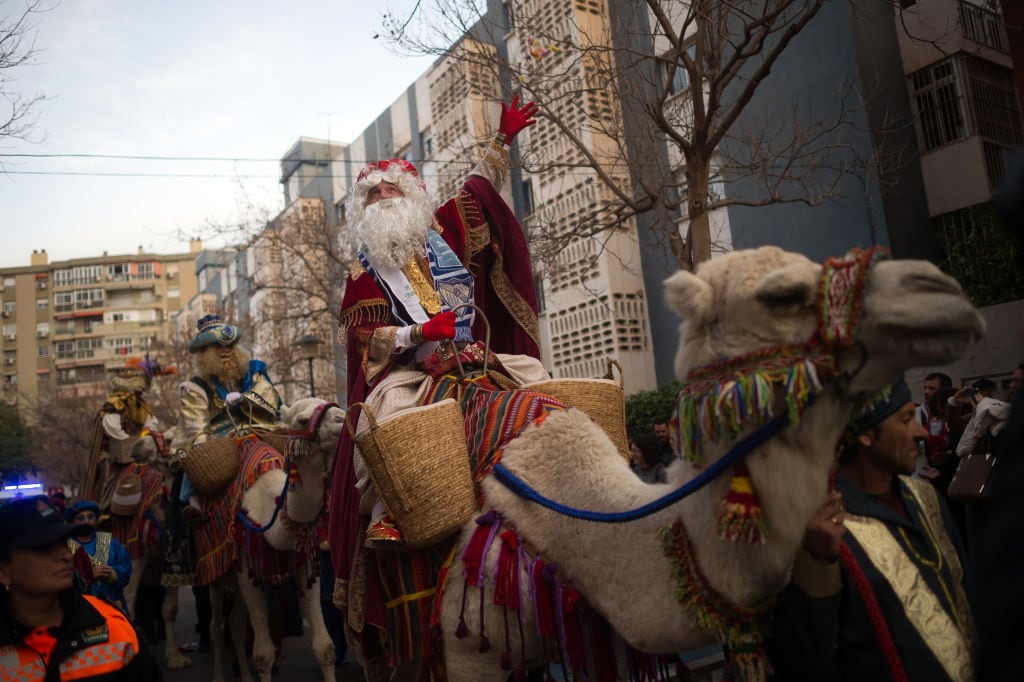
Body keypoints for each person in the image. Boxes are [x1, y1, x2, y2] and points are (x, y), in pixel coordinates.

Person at [329, 96, 547, 672]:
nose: (383, 200)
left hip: (474, 358)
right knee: (387, 425)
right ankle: (390, 514)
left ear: (413, 196)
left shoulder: (443, 229)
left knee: (538, 385)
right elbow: (365, 345)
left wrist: (502, 142)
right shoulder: (361, 275)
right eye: (372, 194)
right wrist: (417, 332)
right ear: (362, 209)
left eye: (391, 190)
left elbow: (478, 192)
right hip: (407, 373)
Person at [767, 377, 974, 681]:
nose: (919, 432)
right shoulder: (820, 527)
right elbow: (805, 663)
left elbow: (967, 591)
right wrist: (817, 565)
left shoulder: (926, 497)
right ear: (865, 434)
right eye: (906, 419)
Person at [0, 497, 162, 680]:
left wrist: (113, 574)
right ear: (3, 570)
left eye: (63, 543)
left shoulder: (111, 624)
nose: (65, 556)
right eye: (43, 548)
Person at [175, 313, 286, 522]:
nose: (225, 351)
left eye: (230, 347)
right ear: (205, 353)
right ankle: (194, 503)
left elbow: (271, 399)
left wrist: (245, 398)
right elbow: (196, 427)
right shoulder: (195, 388)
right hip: (219, 438)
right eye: (218, 347)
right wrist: (205, 453)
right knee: (195, 457)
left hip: (255, 428)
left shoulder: (252, 373)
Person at [63, 500, 132, 614]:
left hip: (112, 606)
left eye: (91, 517)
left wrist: (111, 574)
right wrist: (90, 576)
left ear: (96, 520)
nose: (86, 521)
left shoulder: (108, 543)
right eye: (80, 518)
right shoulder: (66, 547)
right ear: (72, 522)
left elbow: (126, 570)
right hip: (80, 609)